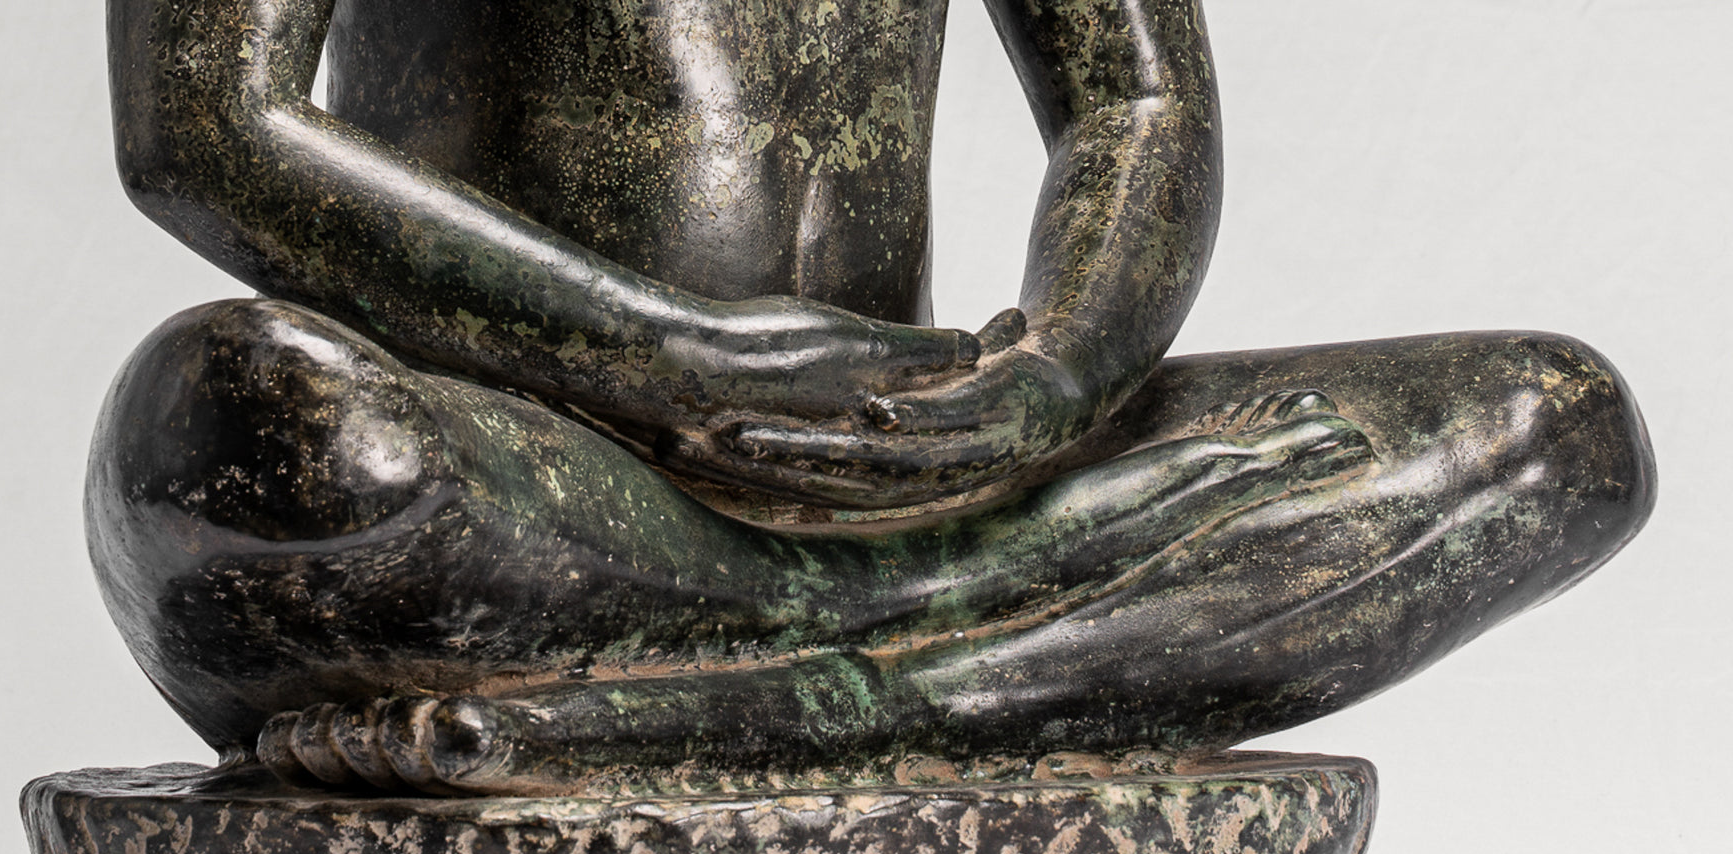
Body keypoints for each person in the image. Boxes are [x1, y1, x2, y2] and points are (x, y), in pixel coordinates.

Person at [90, 0, 1654, 794]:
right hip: (544, 471)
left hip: (922, 468)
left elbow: (1137, 98)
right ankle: (961, 664)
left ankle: (748, 708)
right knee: (248, 425)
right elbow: (204, 118)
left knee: (1551, 426)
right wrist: (662, 353)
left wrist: (1054, 374)